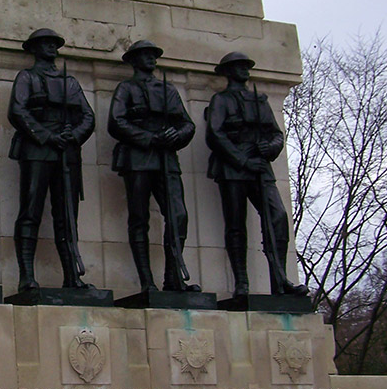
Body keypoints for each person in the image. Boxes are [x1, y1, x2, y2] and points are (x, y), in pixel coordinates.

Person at [205, 51, 308, 299]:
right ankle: (241, 282)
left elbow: (276, 133)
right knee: (236, 224)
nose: (244, 70)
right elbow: (215, 134)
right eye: (238, 66)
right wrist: (242, 160)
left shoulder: (260, 100)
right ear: (228, 72)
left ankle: (280, 280)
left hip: (261, 167)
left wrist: (270, 148)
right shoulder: (221, 100)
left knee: (278, 217)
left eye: (245, 66)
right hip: (233, 167)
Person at [8, 28, 95, 291]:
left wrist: (74, 135)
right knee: (30, 212)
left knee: (67, 216)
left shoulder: (70, 81)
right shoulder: (27, 77)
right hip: (37, 149)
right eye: (44, 43)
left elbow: (88, 116)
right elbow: (17, 111)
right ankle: (26, 276)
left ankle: (72, 277)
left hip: (67, 151)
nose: (50, 47)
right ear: (33, 48)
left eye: (53, 44)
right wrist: (47, 136)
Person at [108, 40, 198, 292]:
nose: (151, 59)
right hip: (137, 158)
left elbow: (187, 124)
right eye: (145, 55)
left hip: (166, 159)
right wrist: (148, 138)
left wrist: (176, 136)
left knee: (178, 216)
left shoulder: (167, 89)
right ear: (134, 60)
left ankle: (173, 278)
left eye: (153, 55)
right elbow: (115, 122)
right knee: (139, 219)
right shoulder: (126, 88)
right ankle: (147, 281)